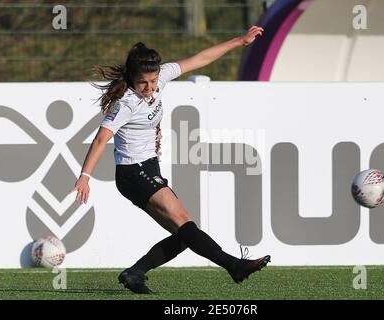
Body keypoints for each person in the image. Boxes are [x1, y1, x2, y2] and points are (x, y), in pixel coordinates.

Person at [71, 26, 270, 294]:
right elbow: (100, 140)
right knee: (186, 225)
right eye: (143, 83)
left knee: (186, 233)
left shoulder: (161, 77)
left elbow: (199, 59)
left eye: (153, 82)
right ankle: (234, 266)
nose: (150, 88)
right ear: (132, 78)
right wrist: (85, 177)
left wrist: (239, 40)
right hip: (132, 173)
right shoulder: (126, 103)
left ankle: (135, 273)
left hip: (149, 168)